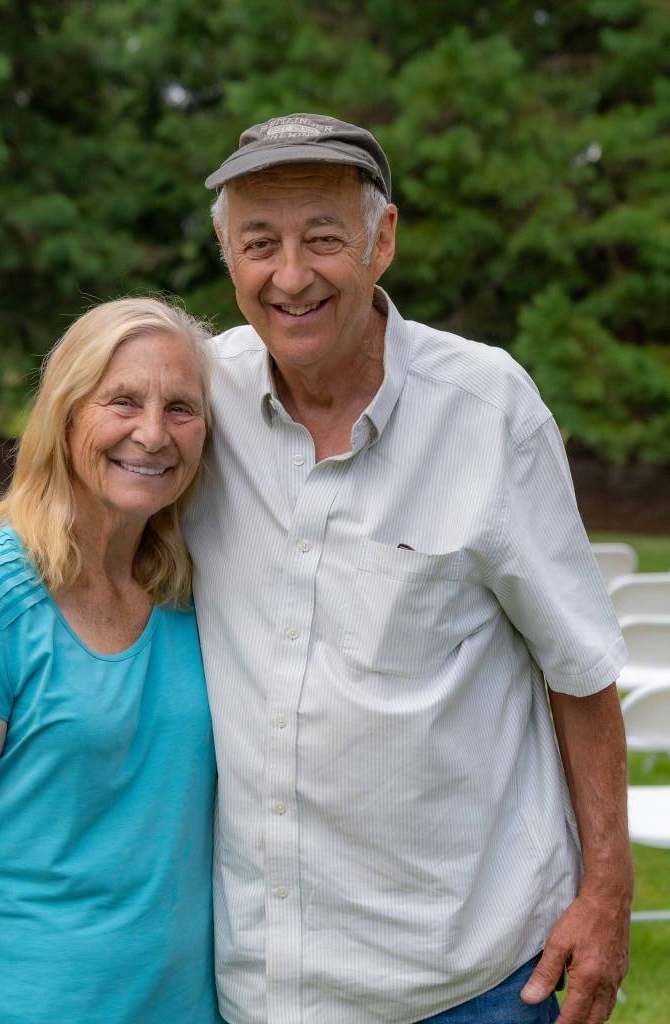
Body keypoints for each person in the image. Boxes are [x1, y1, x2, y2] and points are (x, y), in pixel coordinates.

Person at [183, 113, 632, 1024]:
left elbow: (580, 674)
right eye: (258, 243)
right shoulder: (195, 400)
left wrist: (606, 898)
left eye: (323, 238)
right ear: (226, 256)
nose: (291, 275)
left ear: (382, 240)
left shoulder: (486, 406)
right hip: (260, 986)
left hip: (476, 982)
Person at [0, 298, 224, 1024]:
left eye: (180, 407)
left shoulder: (194, 592)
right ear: (65, 417)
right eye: (121, 401)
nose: (151, 434)